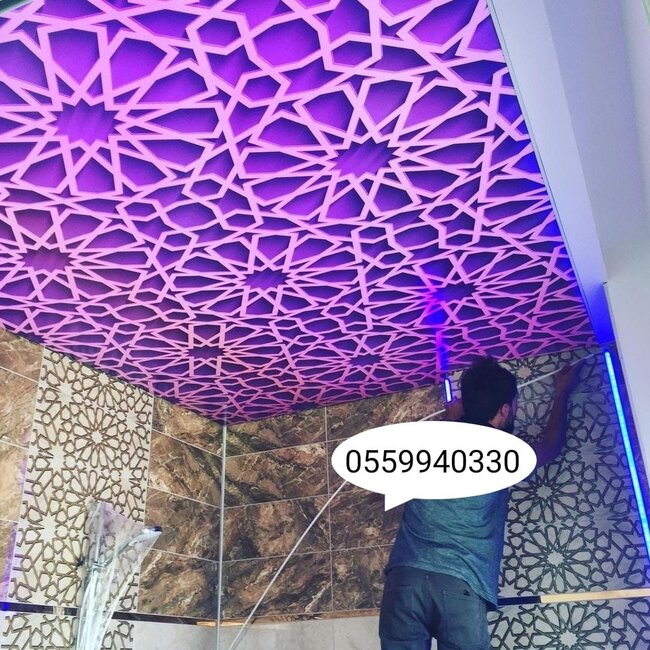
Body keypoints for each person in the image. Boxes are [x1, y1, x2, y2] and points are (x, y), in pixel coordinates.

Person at [378, 355, 583, 650]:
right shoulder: (504, 454)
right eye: (514, 405)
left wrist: (451, 419)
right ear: (504, 410)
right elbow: (551, 446)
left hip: (404, 580)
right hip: (460, 581)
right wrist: (562, 391)